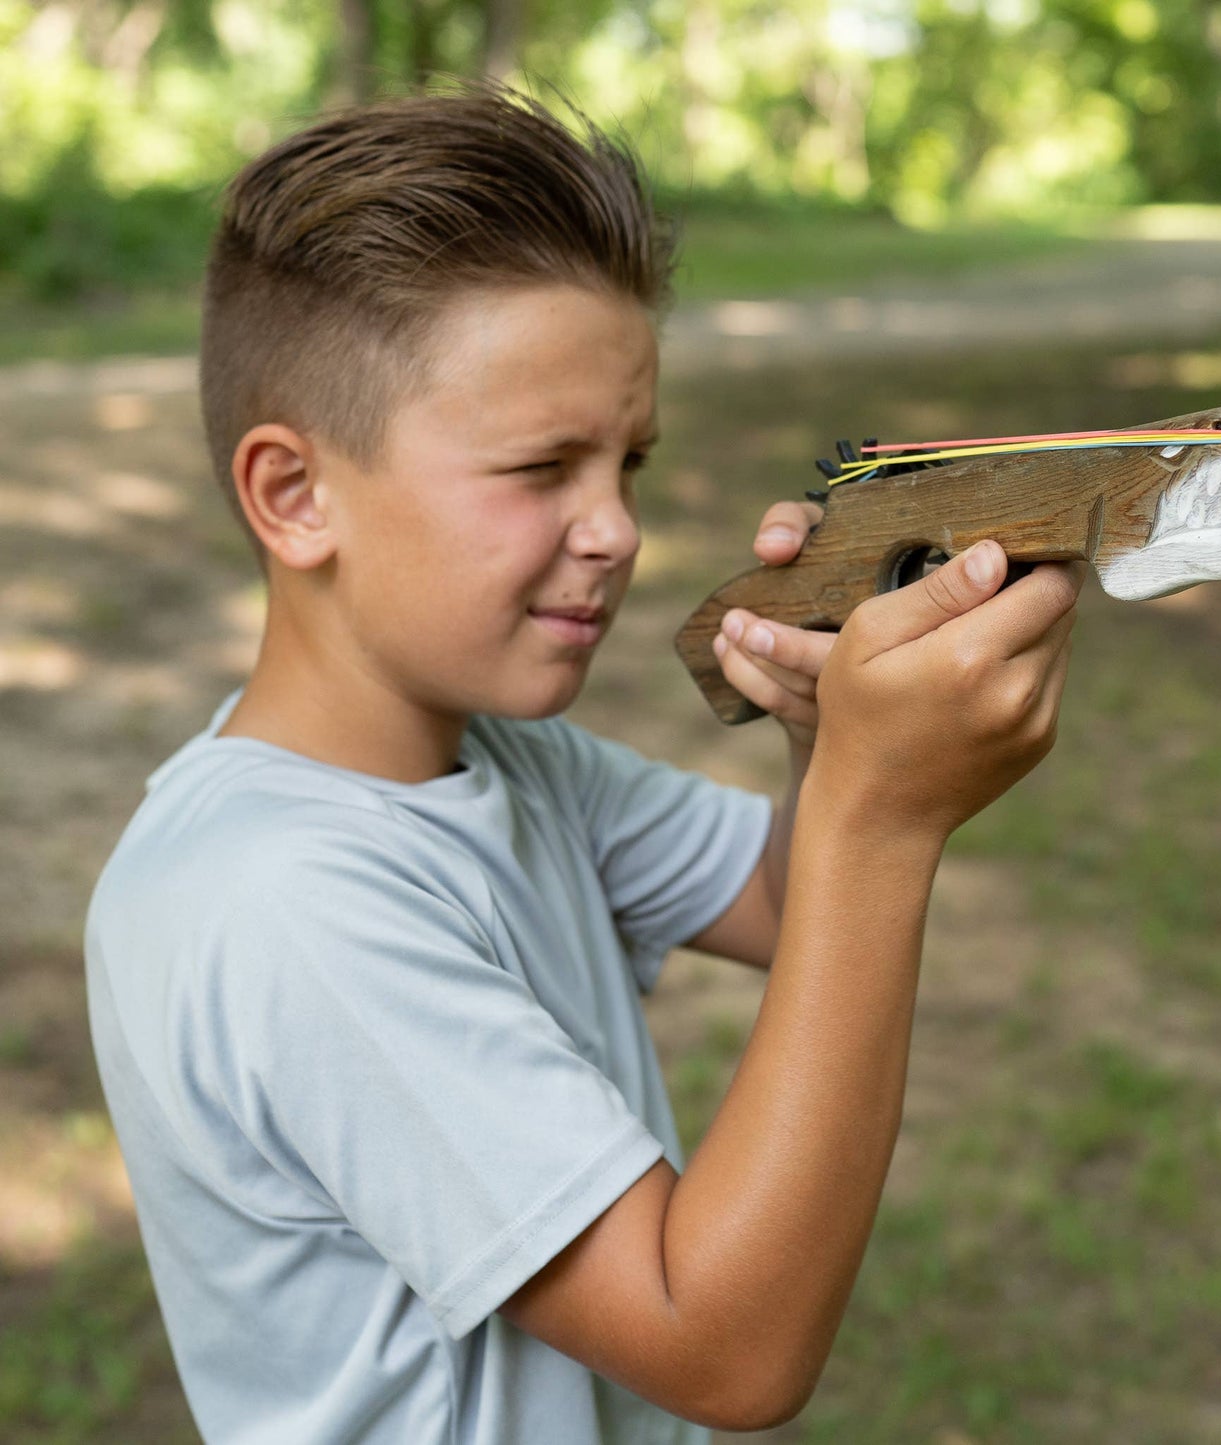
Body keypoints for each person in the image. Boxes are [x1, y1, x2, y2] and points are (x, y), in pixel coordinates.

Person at [85, 83, 1083, 1444]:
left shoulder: (499, 760)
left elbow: (792, 908)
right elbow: (722, 1346)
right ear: (293, 495)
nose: (614, 528)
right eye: (541, 465)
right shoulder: (286, 904)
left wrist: (824, 736)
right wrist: (880, 811)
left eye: (628, 461)